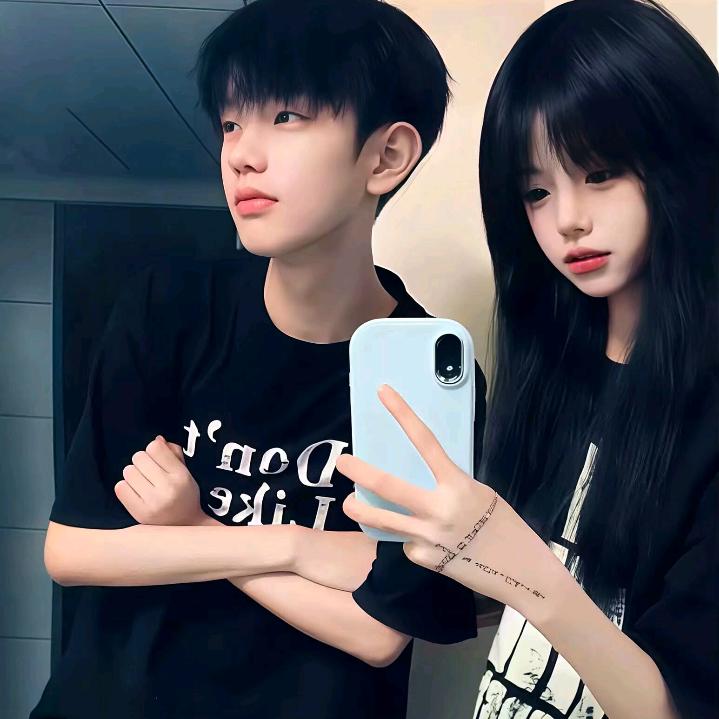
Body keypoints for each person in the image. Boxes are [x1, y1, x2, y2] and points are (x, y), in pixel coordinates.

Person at [31, 1, 487, 718]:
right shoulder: (167, 308)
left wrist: (195, 527)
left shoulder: (421, 375)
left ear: (386, 156)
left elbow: (378, 633)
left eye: (285, 116)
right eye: (230, 124)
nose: (240, 154)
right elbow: (75, 549)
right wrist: (299, 547)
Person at [340, 1, 719, 718]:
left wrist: (516, 561)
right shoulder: (555, 372)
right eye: (536, 191)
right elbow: (489, 596)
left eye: (601, 172)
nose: (567, 219)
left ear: (686, 156)